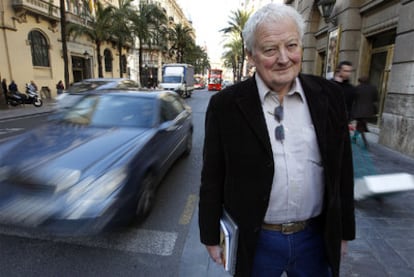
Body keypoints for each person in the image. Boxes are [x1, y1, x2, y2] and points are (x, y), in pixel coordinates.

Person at [198, 3, 355, 277]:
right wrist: (210, 236)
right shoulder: (225, 105)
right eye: (270, 49)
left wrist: (344, 232)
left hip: (315, 239)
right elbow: (212, 176)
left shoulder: (329, 96)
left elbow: (342, 170)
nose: (284, 58)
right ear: (250, 55)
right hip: (256, 242)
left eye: (292, 45)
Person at [351, 76, 379, 148]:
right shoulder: (373, 88)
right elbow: (376, 99)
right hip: (368, 111)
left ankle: (365, 142)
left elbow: (353, 99)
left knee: (361, 126)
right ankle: (355, 138)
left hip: (359, 111)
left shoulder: (357, 88)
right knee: (361, 125)